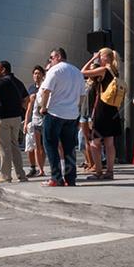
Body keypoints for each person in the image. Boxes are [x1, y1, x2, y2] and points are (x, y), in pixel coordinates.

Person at [35, 47, 85, 187]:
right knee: (69, 147)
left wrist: (43, 108)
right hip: (72, 114)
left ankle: (56, 178)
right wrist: (76, 108)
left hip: (55, 113)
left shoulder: (55, 70)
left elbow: (46, 91)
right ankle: (70, 178)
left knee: (50, 144)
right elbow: (82, 96)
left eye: (51, 58)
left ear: (57, 56)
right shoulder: (77, 72)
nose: (50, 60)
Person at [81, 47, 124, 180]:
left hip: (102, 110)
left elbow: (83, 72)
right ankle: (110, 171)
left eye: (100, 56)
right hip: (112, 109)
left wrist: (92, 59)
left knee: (95, 143)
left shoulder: (104, 70)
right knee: (109, 142)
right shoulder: (115, 71)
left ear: (106, 57)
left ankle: (98, 171)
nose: (99, 58)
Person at [22, 64, 46, 177]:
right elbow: (28, 107)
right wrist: (26, 122)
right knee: (31, 146)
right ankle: (33, 168)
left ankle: (41, 168)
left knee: (42, 146)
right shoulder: (31, 88)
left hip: (43, 119)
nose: (37, 75)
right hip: (33, 119)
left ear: (43, 75)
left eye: (39, 73)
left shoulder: (45, 86)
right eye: (35, 73)